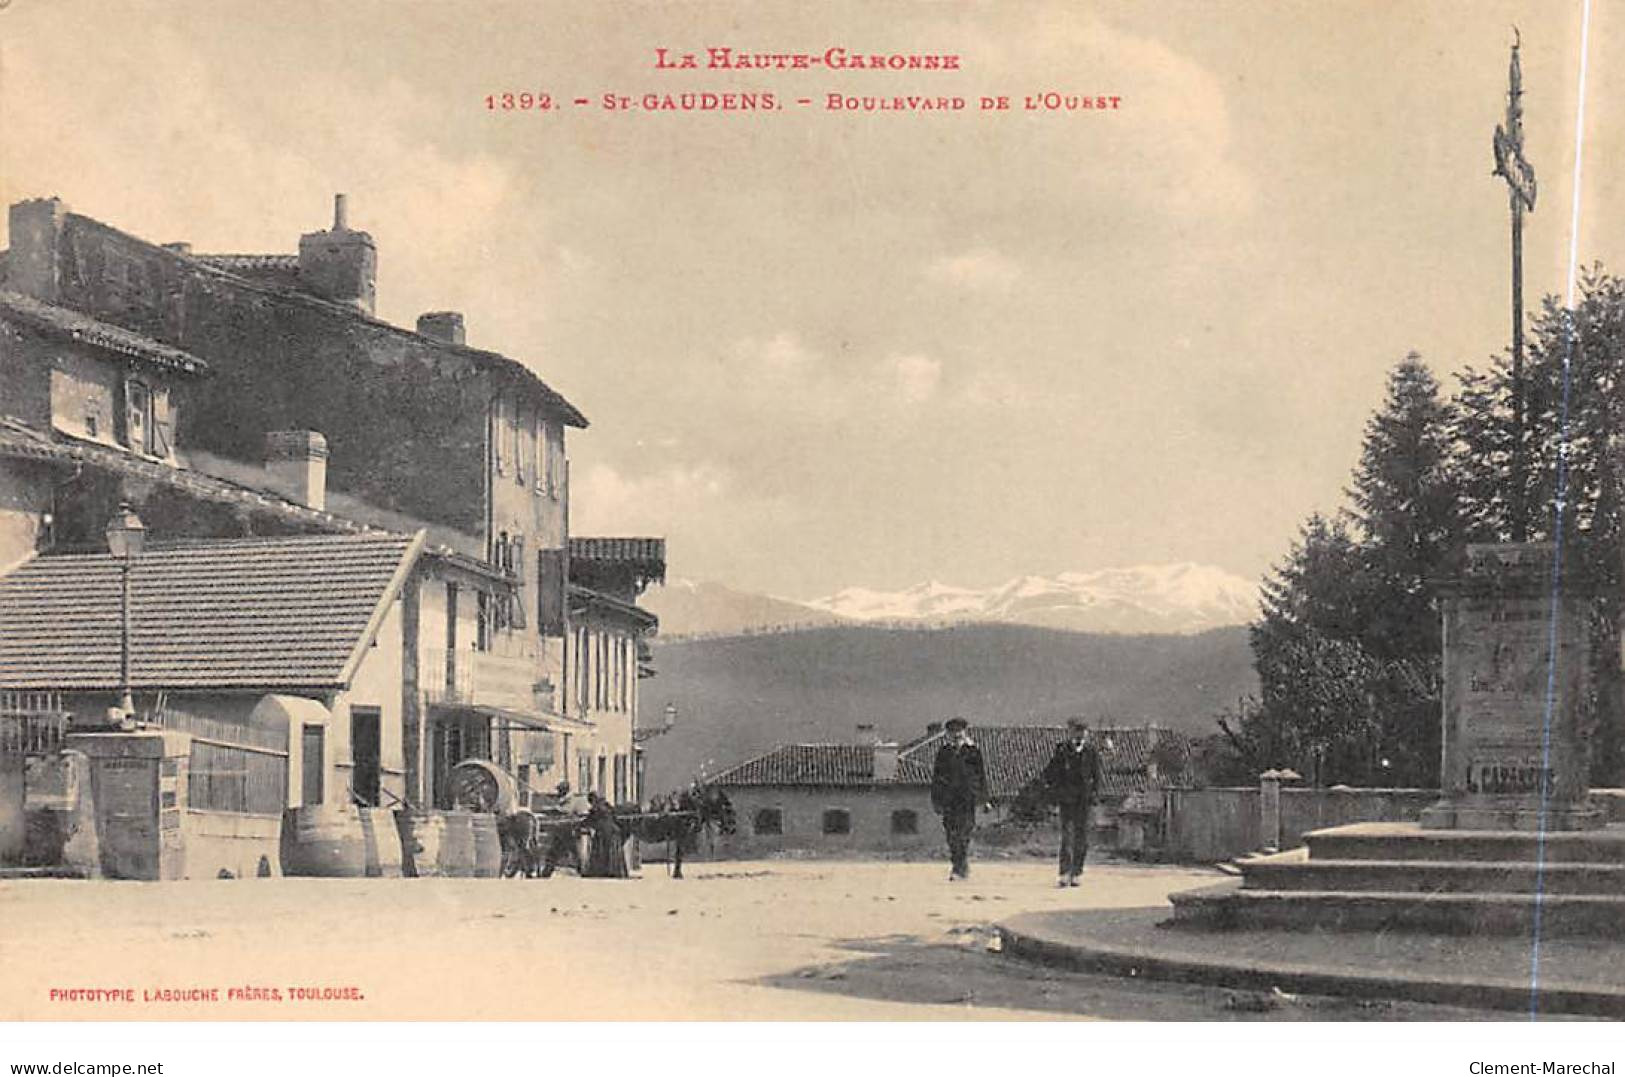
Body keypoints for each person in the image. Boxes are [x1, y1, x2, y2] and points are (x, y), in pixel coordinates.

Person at [1043, 717, 1103, 888]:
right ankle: (1064, 872)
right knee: (1067, 836)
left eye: (1083, 731)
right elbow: (1052, 773)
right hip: (1067, 800)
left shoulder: (1091, 751)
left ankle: (1077, 872)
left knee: (1082, 838)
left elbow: (1097, 776)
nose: (1080, 734)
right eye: (1077, 730)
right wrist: (1055, 793)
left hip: (1084, 800)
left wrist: (1094, 796)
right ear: (1071, 731)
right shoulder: (1062, 750)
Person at [930, 717, 988, 881]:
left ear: (964, 731)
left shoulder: (973, 751)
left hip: (966, 799)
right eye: (952, 731)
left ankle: (959, 867)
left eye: (959, 731)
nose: (956, 734)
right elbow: (937, 777)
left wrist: (984, 798)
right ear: (948, 733)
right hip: (949, 800)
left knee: (964, 833)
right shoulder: (944, 752)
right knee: (951, 834)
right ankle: (959, 864)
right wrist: (936, 800)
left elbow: (981, 775)